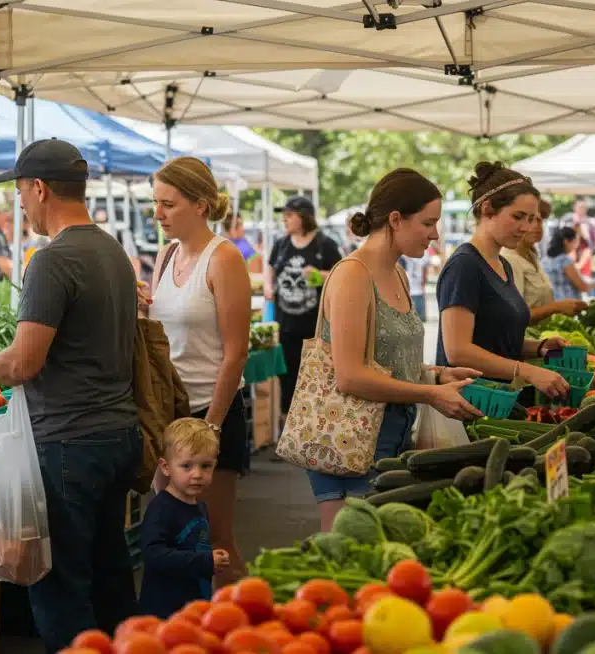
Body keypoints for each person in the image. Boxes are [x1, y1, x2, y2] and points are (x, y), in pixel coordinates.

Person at [0, 139, 141, 650]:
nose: (19, 204)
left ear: (39, 188)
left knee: (61, 589)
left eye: (19, 191)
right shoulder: (113, 251)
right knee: (110, 578)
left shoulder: (52, 260)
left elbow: (24, 362)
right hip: (117, 437)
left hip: (68, 445)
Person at [314, 168, 483, 529]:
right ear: (395, 220)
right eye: (428, 223)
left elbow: (385, 359)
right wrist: (429, 394)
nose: (436, 234)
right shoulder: (352, 276)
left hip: (393, 434)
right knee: (350, 557)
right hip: (349, 440)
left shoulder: (400, 274)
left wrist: (434, 375)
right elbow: (350, 377)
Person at [145, 156, 252, 585]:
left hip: (212, 410)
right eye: (156, 203)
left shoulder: (223, 258)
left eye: (168, 204)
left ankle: (253, 627)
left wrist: (211, 427)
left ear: (201, 206)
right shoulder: (165, 255)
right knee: (175, 533)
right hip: (167, 413)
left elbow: (236, 352)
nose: (158, 214)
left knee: (216, 538)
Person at [436, 162, 570, 400]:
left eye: (531, 219)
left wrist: (538, 346)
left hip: (503, 399)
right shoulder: (464, 265)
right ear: (487, 209)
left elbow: (495, 341)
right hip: (472, 403)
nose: (526, 227)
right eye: (518, 217)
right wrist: (526, 371)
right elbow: (458, 351)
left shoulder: (503, 265)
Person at [138, 419, 232, 618]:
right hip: (165, 611)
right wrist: (205, 561)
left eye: (206, 466)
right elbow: (153, 554)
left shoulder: (200, 506)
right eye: (186, 466)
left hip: (195, 605)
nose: (197, 474)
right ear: (165, 467)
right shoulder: (161, 508)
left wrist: (213, 558)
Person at [265, 195, 343, 416]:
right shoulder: (280, 244)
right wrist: (269, 287)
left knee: (315, 379)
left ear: (304, 217)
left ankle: (314, 425)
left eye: (289, 215)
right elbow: (270, 268)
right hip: (285, 326)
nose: (284, 220)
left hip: (315, 329)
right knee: (287, 378)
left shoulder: (325, 244)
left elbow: (344, 275)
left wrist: (319, 274)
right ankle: (290, 426)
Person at [502, 199, 588, 323]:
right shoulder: (509, 259)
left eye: (541, 219)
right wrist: (557, 307)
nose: (538, 225)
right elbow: (514, 316)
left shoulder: (532, 255)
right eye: (531, 219)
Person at [540, 226, 592, 308]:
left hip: (552, 304)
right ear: (566, 241)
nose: (577, 245)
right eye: (575, 241)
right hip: (567, 305)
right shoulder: (564, 260)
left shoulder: (544, 260)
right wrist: (594, 284)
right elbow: (582, 286)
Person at [400, 250, 430, 321]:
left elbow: (424, 271)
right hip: (410, 287)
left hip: (414, 288)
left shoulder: (424, 253)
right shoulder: (424, 253)